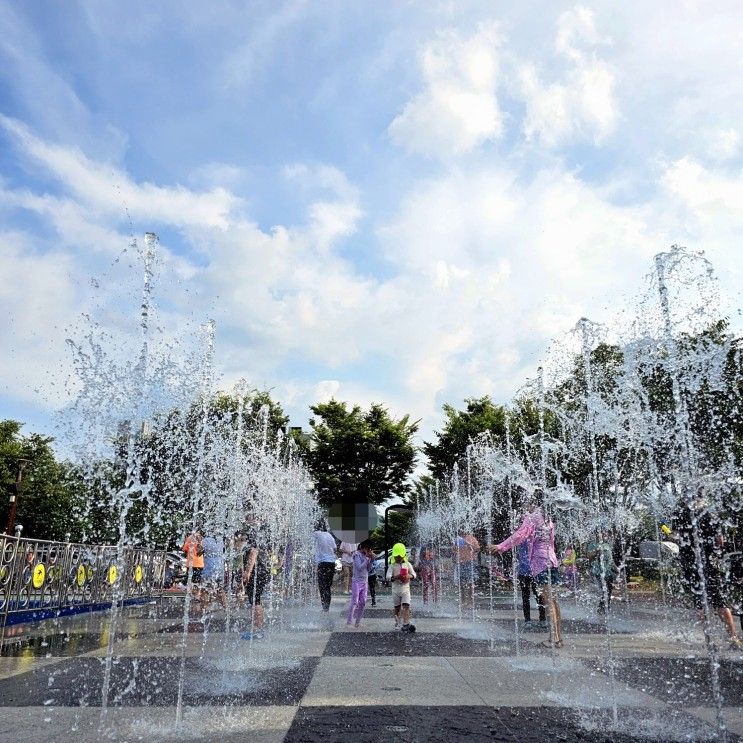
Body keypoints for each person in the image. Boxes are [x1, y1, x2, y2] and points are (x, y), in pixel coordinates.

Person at [489, 494, 563, 648]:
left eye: (526, 505)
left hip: (541, 563)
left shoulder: (533, 517)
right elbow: (552, 541)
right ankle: (558, 638)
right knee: (553, 601)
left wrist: (501, 546)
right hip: (551, 561)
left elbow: (520, 534)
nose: (524, 509)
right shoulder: (548, 518)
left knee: (548, 601)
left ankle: (553, 639)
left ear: (533, 504)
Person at [672, 494, 743, 650]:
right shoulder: (709, 513)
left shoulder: (679, 513)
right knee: (720, 602)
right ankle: (733, 639)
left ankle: (710, 641)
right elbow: (720, 541)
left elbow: (676, 537)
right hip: (709, 563)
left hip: (689, 564)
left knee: (700, 603)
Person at [241, 522, 270, 639]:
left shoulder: (252, 542)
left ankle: (257, 629)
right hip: (260, 572)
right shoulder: (259, 542)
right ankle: (258, 627)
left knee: (255, 601)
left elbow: (253, 554)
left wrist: (248, 572)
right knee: (256, 600)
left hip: (256, 573)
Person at [386, 542, 417, 631]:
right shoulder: (392, 566)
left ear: (403, 555)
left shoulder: (407, 565)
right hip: (395, 589)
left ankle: (406, 623)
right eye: (396, 557)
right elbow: (388, 576)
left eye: (399, 557)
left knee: (406, 605)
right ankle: (397, 622)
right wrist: (396, 577)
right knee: (397, 608)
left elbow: (414, 574)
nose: (398, 558)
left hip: (405, 589)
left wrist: (409, 576)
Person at [346, 540, 376, 627]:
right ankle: (349, 621)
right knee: (355, 601)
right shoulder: (356, 554)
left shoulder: (367, 556)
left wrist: (371, 560)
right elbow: (359, 567)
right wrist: (367, 559)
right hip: (356, 581)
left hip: (364, 582)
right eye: (367, 548)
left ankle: (358, 621)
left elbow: (369, 569)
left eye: (369, 548)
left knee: (363, 602)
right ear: (362, 547)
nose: (368, 550)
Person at [517, 541, 546, 628]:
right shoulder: (533, 535)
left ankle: (529, 620)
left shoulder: (521, 535)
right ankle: (541, 620)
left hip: (528, 570)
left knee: (528, 596)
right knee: (538, 596)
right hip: (533, 570)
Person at [587, 532, 617, 614]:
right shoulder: (593, 544)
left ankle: (605, 606)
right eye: (601, 533)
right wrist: (596, 552)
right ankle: (601, 608)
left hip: (608, 571)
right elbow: (589, 556)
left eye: (605, 533)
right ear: (597, 534)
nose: (604, 535)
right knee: (604, 590)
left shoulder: (607, 544)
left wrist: (616, 568)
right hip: (598, 571)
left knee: (609, 590)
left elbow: (611, 558)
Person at [313, 518, 337, 612]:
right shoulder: (329, 535)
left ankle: (325, 607)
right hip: (331, 563)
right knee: (327, 585)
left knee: (322, 586)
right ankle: (327, 607)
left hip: (322, 563)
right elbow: (335, 548)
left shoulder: (316, 534)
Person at [200, 531, 228, 612]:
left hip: (209, 568)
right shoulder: (220, 540)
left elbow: (198, 552)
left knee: (205, 589)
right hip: (220, 568)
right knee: (220, 589)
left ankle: (204, 609)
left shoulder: (205, 540)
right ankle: (226, 608)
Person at [454, 534, 480, 610]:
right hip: (460, 563)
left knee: (470, 582)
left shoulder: (472, 538)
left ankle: (470, 602)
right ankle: (462, 601)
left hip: (469, 562)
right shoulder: (458, 539)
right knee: (461, 583)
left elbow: (477, 549)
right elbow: (454, 550)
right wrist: (456, 546)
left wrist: (469, 545)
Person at [182, 528, 205, 608]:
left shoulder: (189, 538)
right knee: (198, 581)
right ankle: (197, 595)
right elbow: (202, 551)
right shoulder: (201, 538)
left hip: (191, 563)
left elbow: (184, 550)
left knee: (190, 581)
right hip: (199, 563)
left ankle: (191, 596)